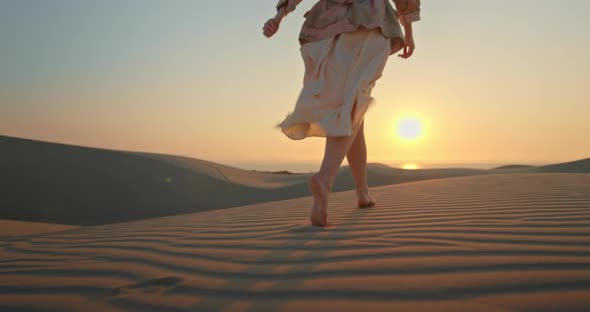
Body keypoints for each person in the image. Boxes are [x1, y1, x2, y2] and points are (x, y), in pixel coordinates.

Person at [263, 0, 421, 226]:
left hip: (330, 23)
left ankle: (362, 192)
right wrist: (409, 32)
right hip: (370, 21)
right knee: (353, 102)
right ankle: (325, 179)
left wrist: (279, 16)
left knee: (352, 108)